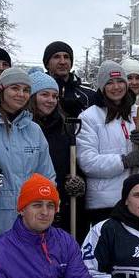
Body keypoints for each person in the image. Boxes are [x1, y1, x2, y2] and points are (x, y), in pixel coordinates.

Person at [0, 67, 56, 272]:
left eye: (25, 90)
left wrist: (45, 205)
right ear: (1, 90)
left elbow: (47, 176)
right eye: (15, 88)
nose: (21, 94)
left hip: (28, 226)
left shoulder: (34, 130)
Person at [77, 61, 139, 232]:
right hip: (105, 202)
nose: (116, 87)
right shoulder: (89, 117)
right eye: (109, 83)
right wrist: (123, 161)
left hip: (138, 199)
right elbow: (87, 162)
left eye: (120, 82)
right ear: (102, 87)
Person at [29, 70, 85, 224]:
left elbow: (72, 161)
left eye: (55, 96)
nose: (51, 100)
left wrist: (76, 179)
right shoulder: (25, 128)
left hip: (59, 202)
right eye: (45, 95)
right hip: (30, 201)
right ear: (32, 97)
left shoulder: (64, 126)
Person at [44, 40, 96, 118]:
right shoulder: (35, 93)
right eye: (56, 57)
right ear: (47, 63)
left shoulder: (89, 95)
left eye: (66, 57)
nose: (62, 62)